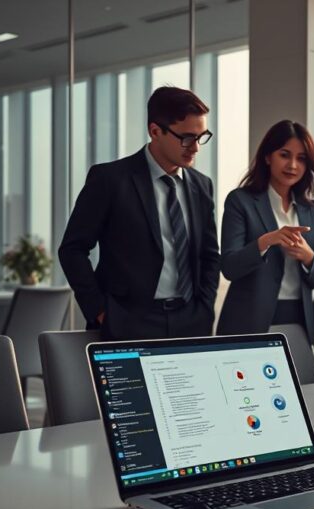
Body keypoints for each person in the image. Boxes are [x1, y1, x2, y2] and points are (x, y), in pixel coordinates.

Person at [59, 86, 219, 341]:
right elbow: (72, 249)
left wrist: (204, 308)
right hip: (126, 323)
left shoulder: (202, 185)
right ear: (155, 131)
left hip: (190, 322)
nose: (196, 148)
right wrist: (100, 311)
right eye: (187, 138)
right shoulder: (110, 179)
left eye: (202, 137)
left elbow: (209, 255)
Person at [215, 120, 314, 342]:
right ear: (268, 157)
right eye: (284, 155)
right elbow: (229, 267)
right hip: (249, 321)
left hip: (298, 320)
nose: (293, 165)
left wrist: (309, 257)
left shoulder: (312, 211)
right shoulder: (240, 201)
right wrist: (265, 242)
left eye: (301, 158)